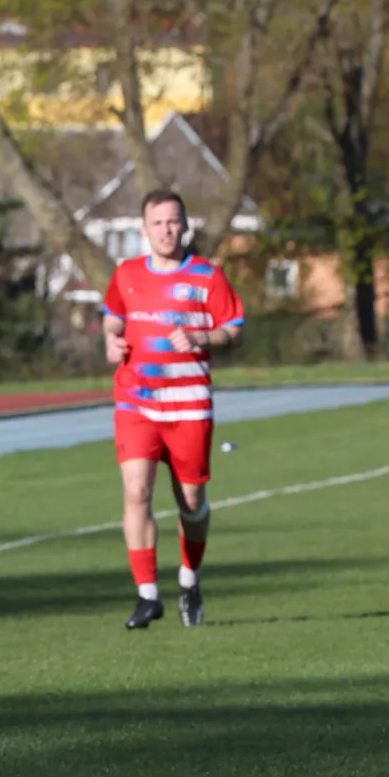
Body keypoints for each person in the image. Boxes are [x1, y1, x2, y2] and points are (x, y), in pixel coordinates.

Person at [101, 189, 244, 629]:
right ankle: (147, 595)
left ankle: (189, 576)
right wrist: (111, 339)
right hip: (137, 402)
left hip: (189, 406)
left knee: (191, 502)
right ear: (144, 229)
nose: (166, 230)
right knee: (136, 492)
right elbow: (112, 316)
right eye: (158, 223)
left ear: (185, 225)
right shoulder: (126, 274)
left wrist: (203, 337)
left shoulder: (207, 276)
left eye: (173, 222)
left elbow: (234, 330)